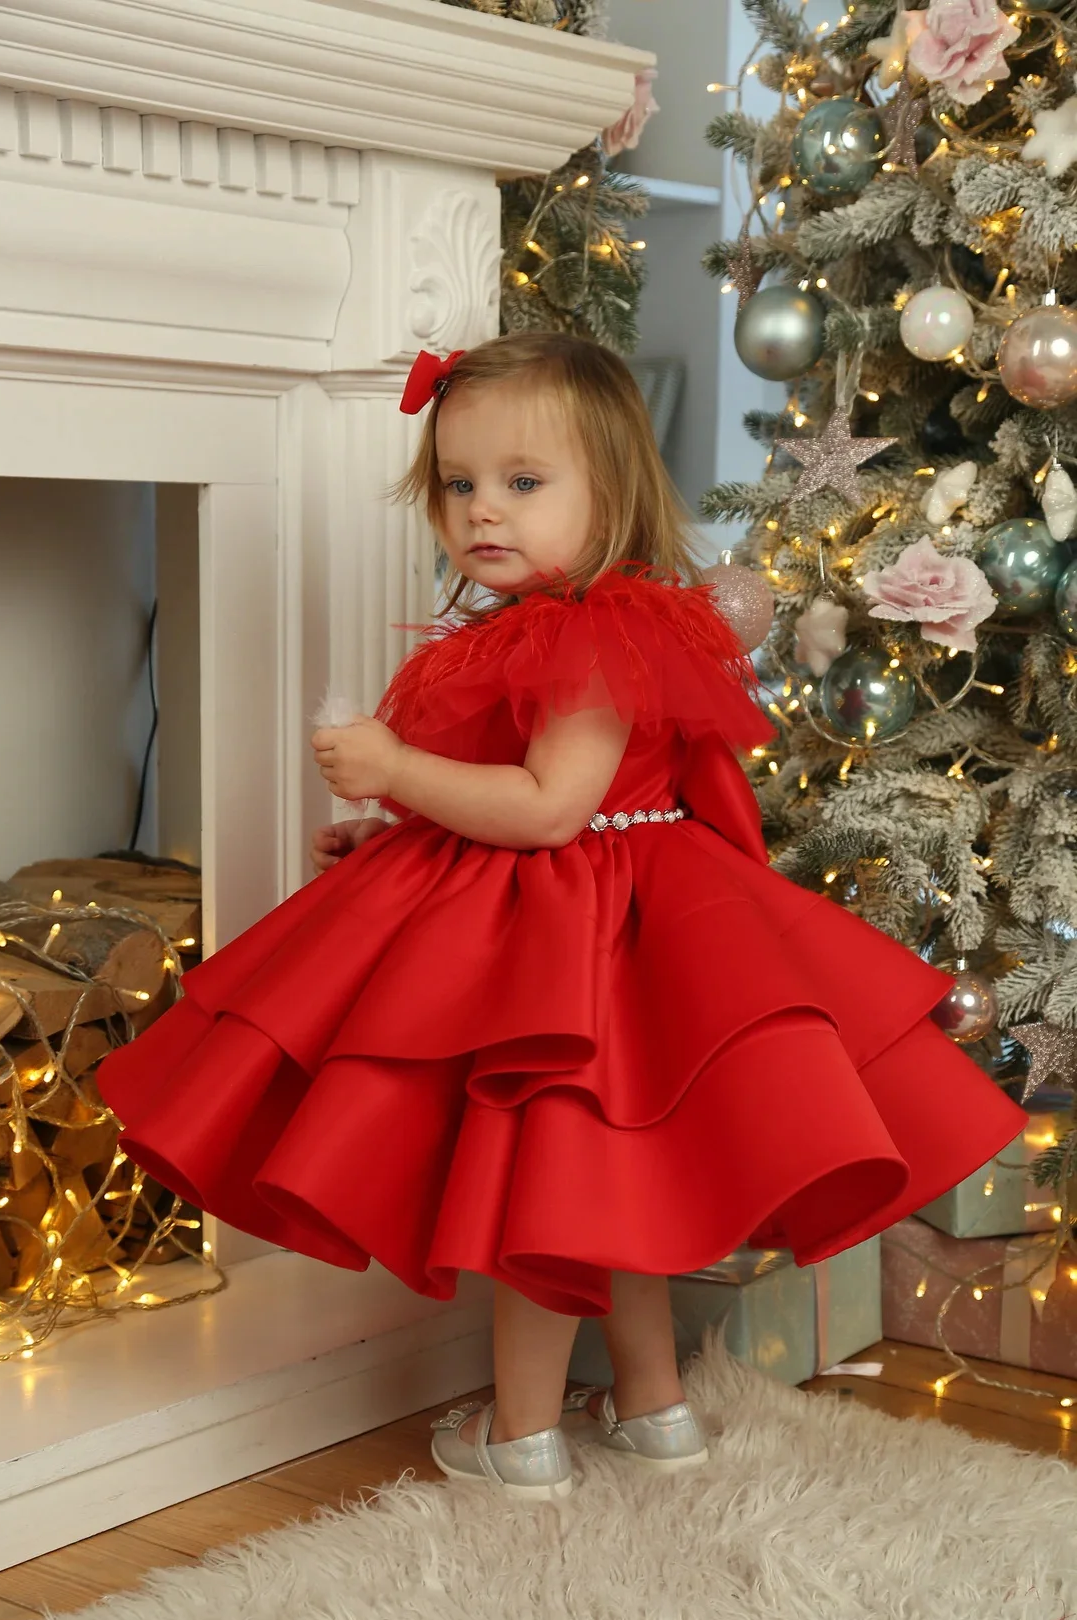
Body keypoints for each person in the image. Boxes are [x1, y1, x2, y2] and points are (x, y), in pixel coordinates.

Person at [98, 332, 1025, 1503]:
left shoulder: (593, 632)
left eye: (524, 484)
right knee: (605, 1196)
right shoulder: (554, 625)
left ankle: (522, 1435)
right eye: (459, 483)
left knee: (544, 1201)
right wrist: (402, 832)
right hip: (571, 914)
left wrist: (392, 769)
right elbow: (525, 803)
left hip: (581, 942)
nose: (484, 511)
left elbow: (548, 809)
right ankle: (654, 1410)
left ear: (613, 488)